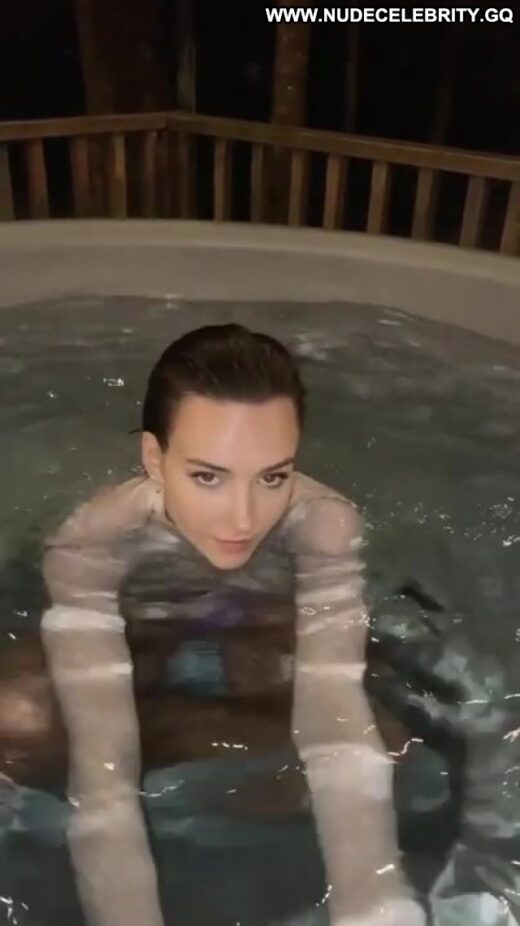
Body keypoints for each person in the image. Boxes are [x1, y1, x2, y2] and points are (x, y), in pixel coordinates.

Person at [0, 324, 426, 926]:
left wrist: (374, 904)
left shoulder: (323, 524)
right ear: (154, 459)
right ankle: (177, 750)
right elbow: (103, 773)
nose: (244, 518)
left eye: (273, 476)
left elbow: (336, 720)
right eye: (208, 477)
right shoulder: (95, 541)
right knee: (16, 718)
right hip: (144, 635)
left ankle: (181, 754)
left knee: (388, 746)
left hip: (261, 641)